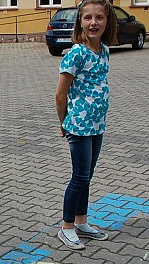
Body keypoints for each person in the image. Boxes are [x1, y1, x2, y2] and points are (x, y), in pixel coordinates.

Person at [54, 0, 117, 250]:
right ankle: (66, 227)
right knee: (79, 177)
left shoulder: (104, 51)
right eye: (88, 17)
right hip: (79, 126)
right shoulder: (76, 53)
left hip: (97, 125)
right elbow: (60, 94)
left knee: (87, 176)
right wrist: (63, 122)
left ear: (107, 21)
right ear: (80, 21)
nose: (93, 23)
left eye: (99, 17)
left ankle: (81, 222)